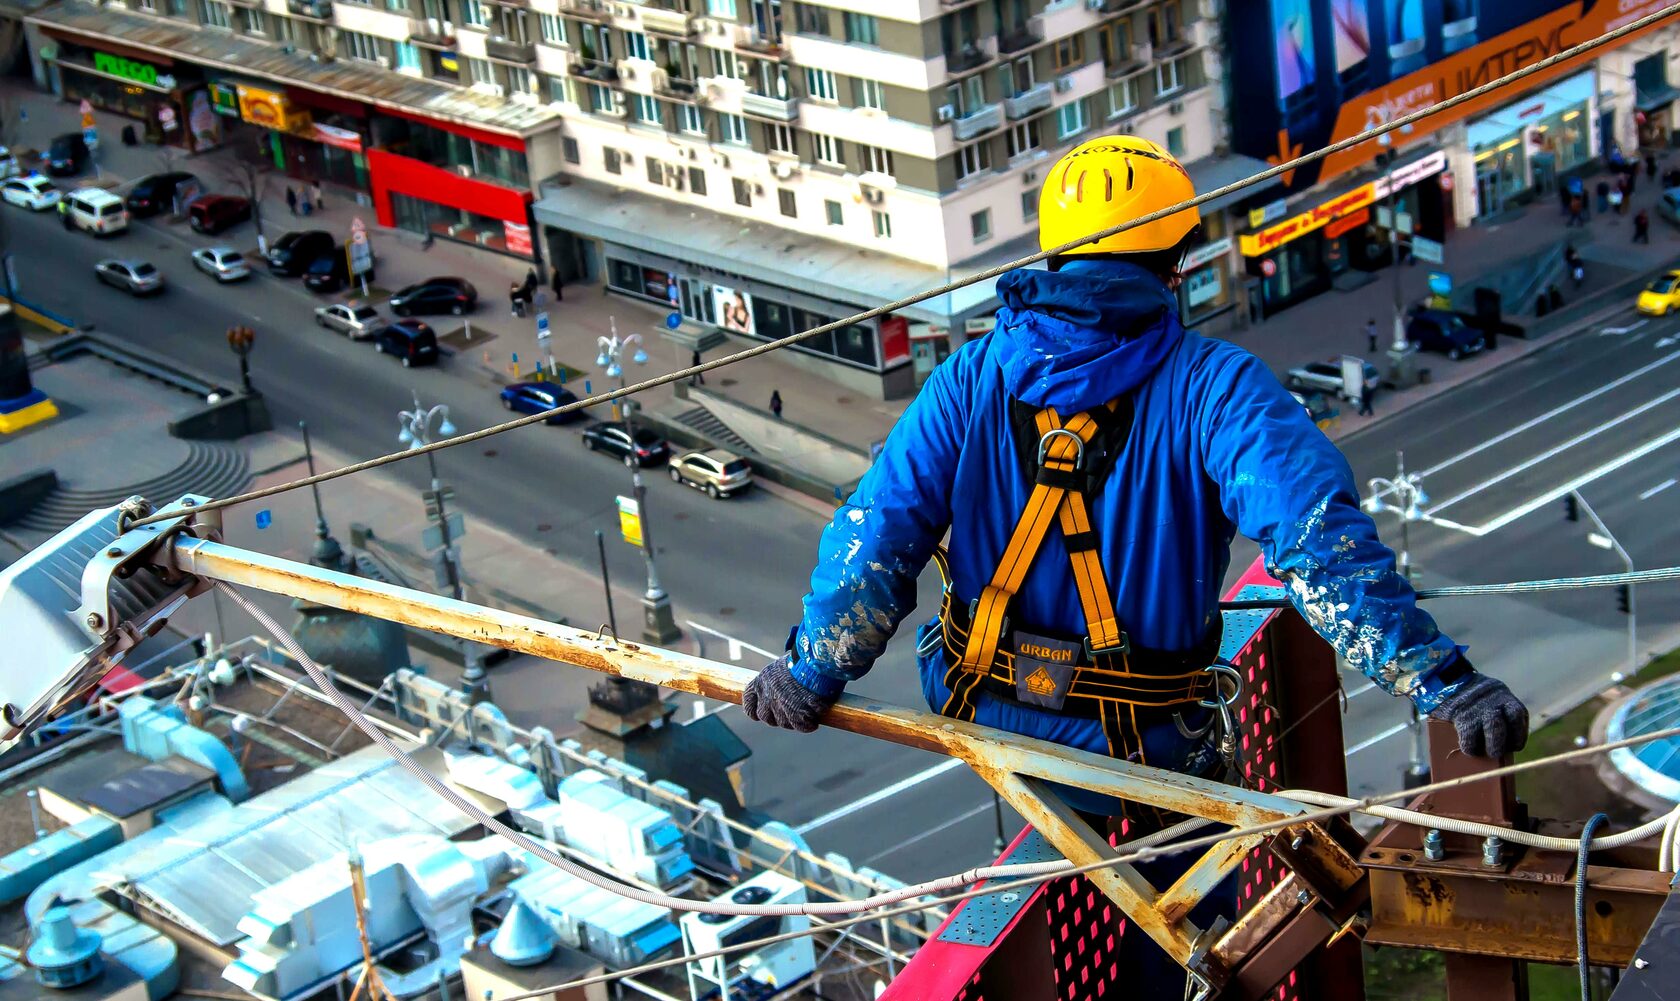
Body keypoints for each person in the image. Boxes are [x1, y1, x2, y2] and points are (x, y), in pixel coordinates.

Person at [741, 136, 1528, 992]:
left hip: (998, 725)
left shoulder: (969, 378)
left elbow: (874, 536)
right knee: (1194, 942)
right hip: (1154, 757)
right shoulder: (1214, 386)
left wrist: (812, 670)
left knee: (1099, 901)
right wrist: (1444, 681)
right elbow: (1316, 545)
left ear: (1053, 256)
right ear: (1176, 262)